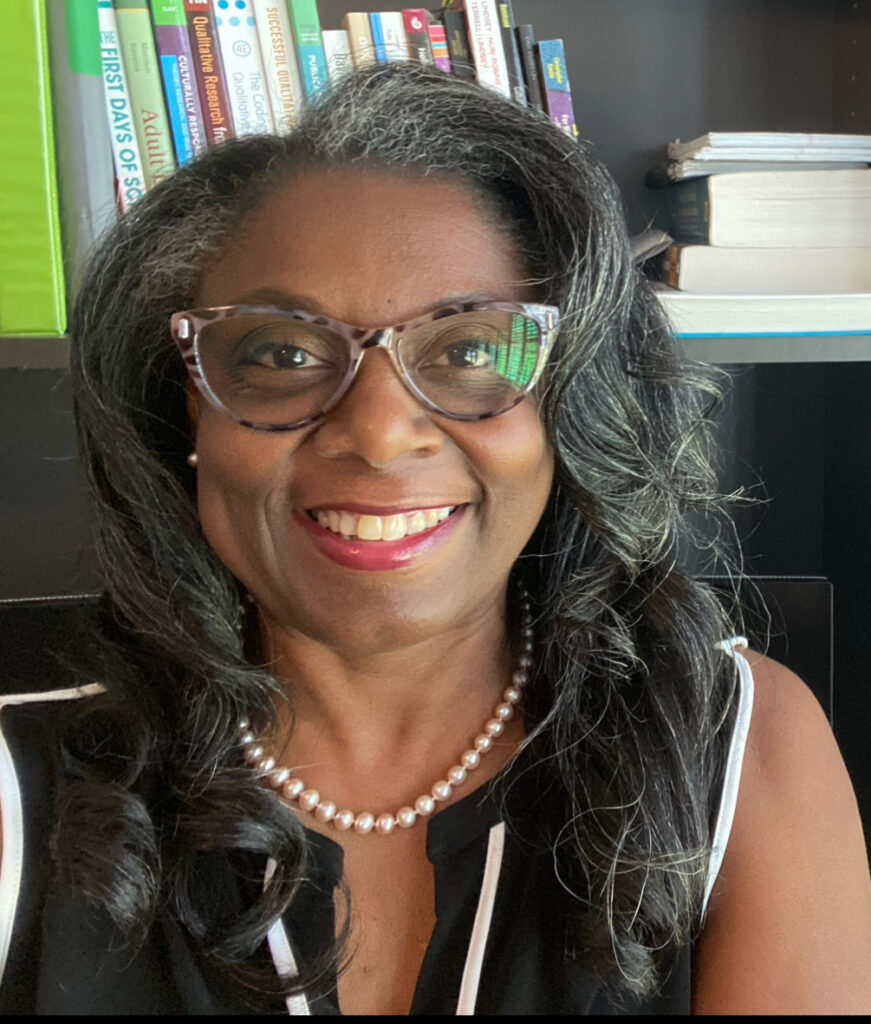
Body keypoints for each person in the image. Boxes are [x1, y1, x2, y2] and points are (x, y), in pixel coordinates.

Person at [1, 63, 870, 1016]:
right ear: (185, 417)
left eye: (468, 350)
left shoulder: (736, 750)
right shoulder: (22, 785)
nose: (378, 433)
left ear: (570, 406)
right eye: (282, 353)